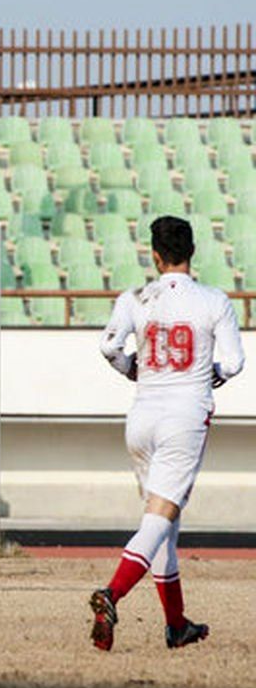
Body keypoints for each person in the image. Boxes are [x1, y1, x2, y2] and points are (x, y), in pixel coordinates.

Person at [90, 216, 243, 651]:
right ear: (192, 252)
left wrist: (133, 368)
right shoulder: (213, 300)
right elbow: (232, 363)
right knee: (159, 520)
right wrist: (209, 373)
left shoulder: (135, 297)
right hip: (184, 415)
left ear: (154, 255)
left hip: (141, 417)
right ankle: (112, 594)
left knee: (161, 526)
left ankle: (176, 625)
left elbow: (109, 347)